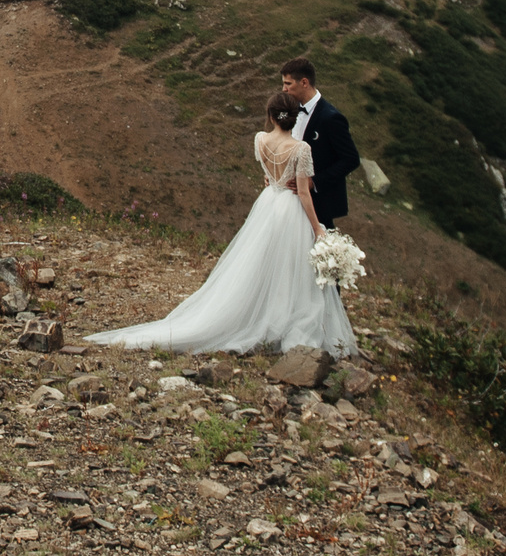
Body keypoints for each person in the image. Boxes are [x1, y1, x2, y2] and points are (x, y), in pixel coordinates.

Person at [85, 91, 357, 358]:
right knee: (290, 267)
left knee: (260, 262)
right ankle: (282, 318)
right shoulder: (301, 149)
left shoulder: (260, 139)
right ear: (294, 117)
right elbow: (304, 194)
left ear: (272, 116)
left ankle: (261, 313)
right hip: (290, 210)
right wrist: (318, 227)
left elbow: (270, 173)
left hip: (267, 204)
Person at [281, 57, 360, 230]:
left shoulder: (331, 118)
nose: (283, 89)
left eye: (288, 84)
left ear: (304, 82)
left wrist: (313, 182)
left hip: (318, 205)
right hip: (287, 200)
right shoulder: (287, 111)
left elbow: (351, 159)